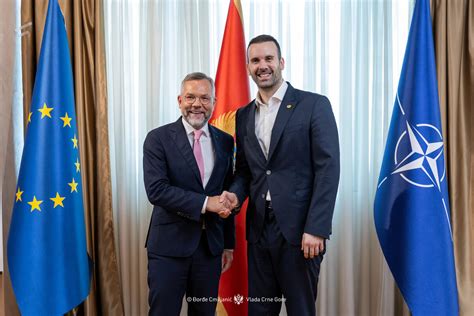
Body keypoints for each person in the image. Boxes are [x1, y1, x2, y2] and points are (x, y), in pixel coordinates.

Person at [220, 35, 340, 315]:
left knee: (300, 310)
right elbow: (246, 171)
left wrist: (317, 228)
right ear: (248, 67)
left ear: (281, 62)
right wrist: (234, 195)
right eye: (256, 60)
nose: (263, 65)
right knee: (261, 311)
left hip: (301, 233)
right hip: (259, 230)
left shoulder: (314, 105)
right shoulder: (243, 115)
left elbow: (328, 168)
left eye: (268, 58)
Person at [143, 72, 235, 316]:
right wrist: (207, 203)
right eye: (190, 97)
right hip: (168, 248)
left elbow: (226, 193)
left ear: (214, 103)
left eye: (205, 98)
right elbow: (157, 190)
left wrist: (228, 244)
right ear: (179, 100)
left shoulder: (226, 142)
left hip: (210, 249)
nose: (197, 104)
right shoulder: (158, 139)